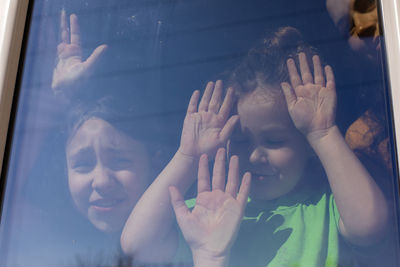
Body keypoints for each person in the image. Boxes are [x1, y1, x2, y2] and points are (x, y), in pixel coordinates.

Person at [121, 26, 389, 266]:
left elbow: (370, 225)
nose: (255, 155)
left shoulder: (325, 206)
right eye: (239, 141)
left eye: (274, 141)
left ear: (307, 145)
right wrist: (188, 156)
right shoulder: (210, 210)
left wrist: (322, 133)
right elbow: (136, 246)